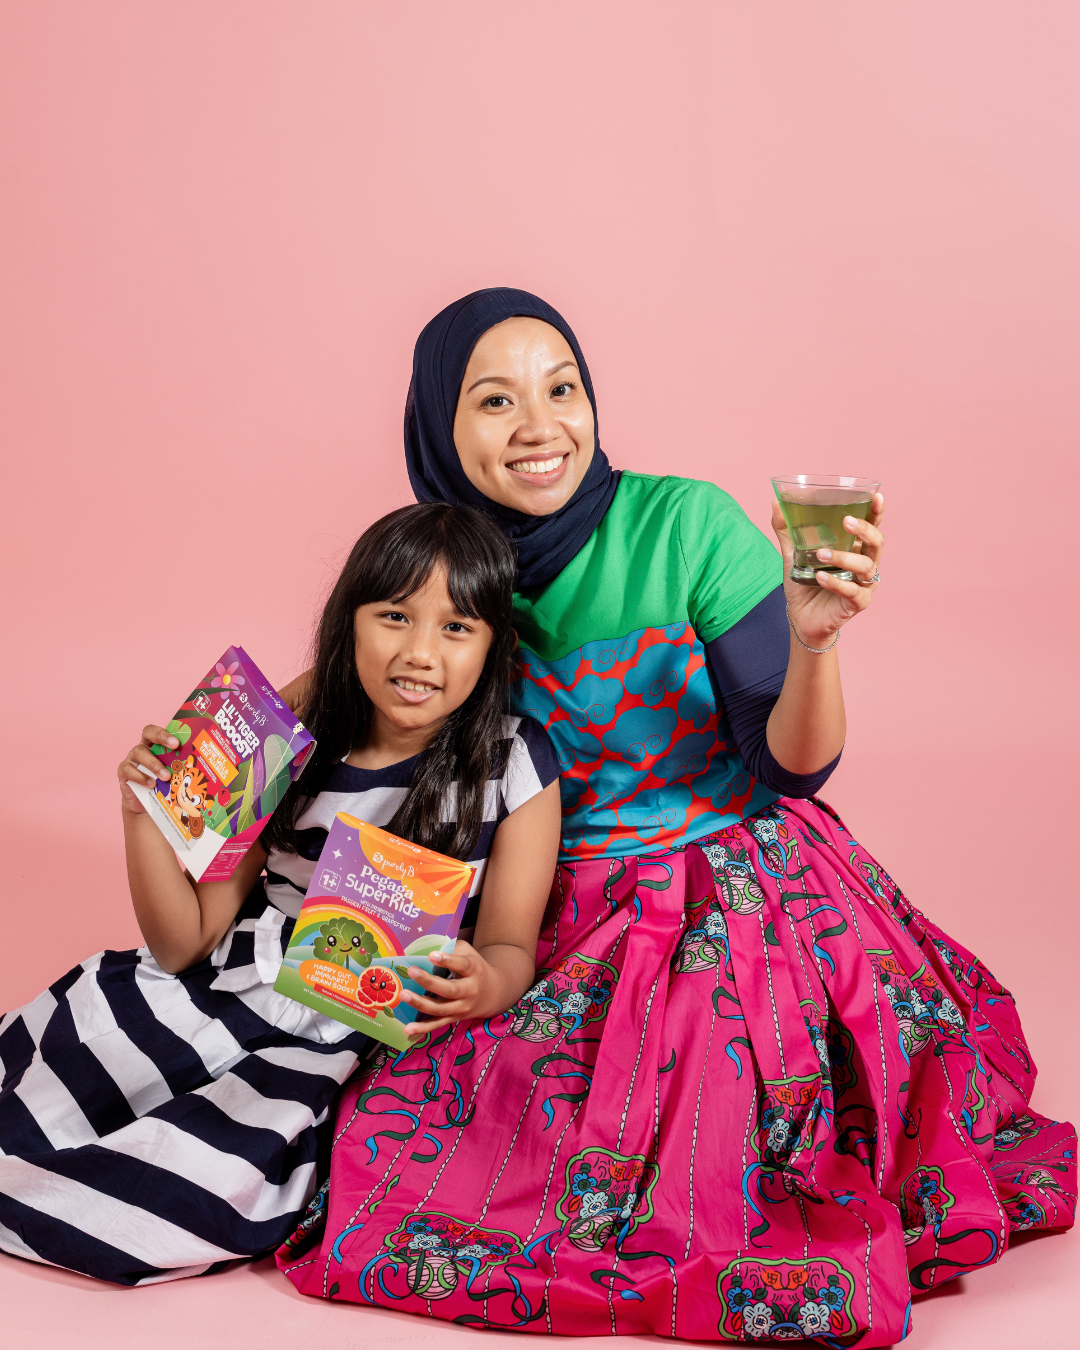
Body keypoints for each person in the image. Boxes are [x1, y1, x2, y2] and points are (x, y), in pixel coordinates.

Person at [277, 290, 1075, 1344]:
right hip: (536, 902)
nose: (540, 427)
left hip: (735, 890)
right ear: (436, 422)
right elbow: (334, 697)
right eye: (495, 400)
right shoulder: (446, 569)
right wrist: (195, 773)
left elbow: (793, 767)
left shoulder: (687, 524)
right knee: (408, 1141)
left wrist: (816, 641)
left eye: (563, 389)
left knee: (718, 1148)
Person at [0, 502, 561, 1285]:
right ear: (348, 620)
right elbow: (182, 944)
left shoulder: (514, 763)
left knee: (201, 1178)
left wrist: (483, 984)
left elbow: (509, 946)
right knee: (68, 1060)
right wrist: (143, 818)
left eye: (457, 627)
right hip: (238, 979)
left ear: (495, 645)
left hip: (354, 1027)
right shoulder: (291, 745)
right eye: (394, 616)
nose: (420, 652)